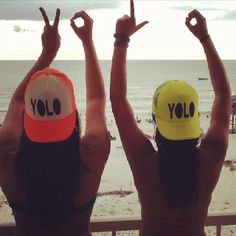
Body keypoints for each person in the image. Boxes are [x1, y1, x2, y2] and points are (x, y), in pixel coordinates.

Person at [110, 1, 231, 235]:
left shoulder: (145, 162)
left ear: (156, 119)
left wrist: (121, 40)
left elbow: (117, 100)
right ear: (194, 118)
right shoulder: (211, 155)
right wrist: (204, 37)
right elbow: (223, 95)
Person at [0, 8, 110, 236]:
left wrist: (48, 52)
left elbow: (17, 101)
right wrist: (87, 42)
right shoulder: (91, 157)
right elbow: (96, 100)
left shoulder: (7, 163)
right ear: (73, 116)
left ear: (28, 119)